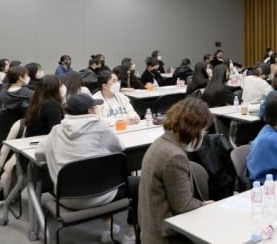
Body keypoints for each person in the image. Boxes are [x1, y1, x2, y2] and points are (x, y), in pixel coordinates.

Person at [35, 93, 137, 243]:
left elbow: (39, 155)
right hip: (103, 194)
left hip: (67, 198)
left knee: (95, 173)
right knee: (138, 182)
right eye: (94, 107)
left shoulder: (56, 131)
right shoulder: (101, 129)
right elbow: (120, 148)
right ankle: (130, 234)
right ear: (89, 111)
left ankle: (107, 229)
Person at [139, 97, 213, 244]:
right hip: (166, 237)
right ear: (193, 129)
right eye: (203, 130)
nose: (203, 135)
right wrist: (205, 205)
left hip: (150, 228)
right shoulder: (175, 157)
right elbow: (183, 207)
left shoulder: (161, 142)